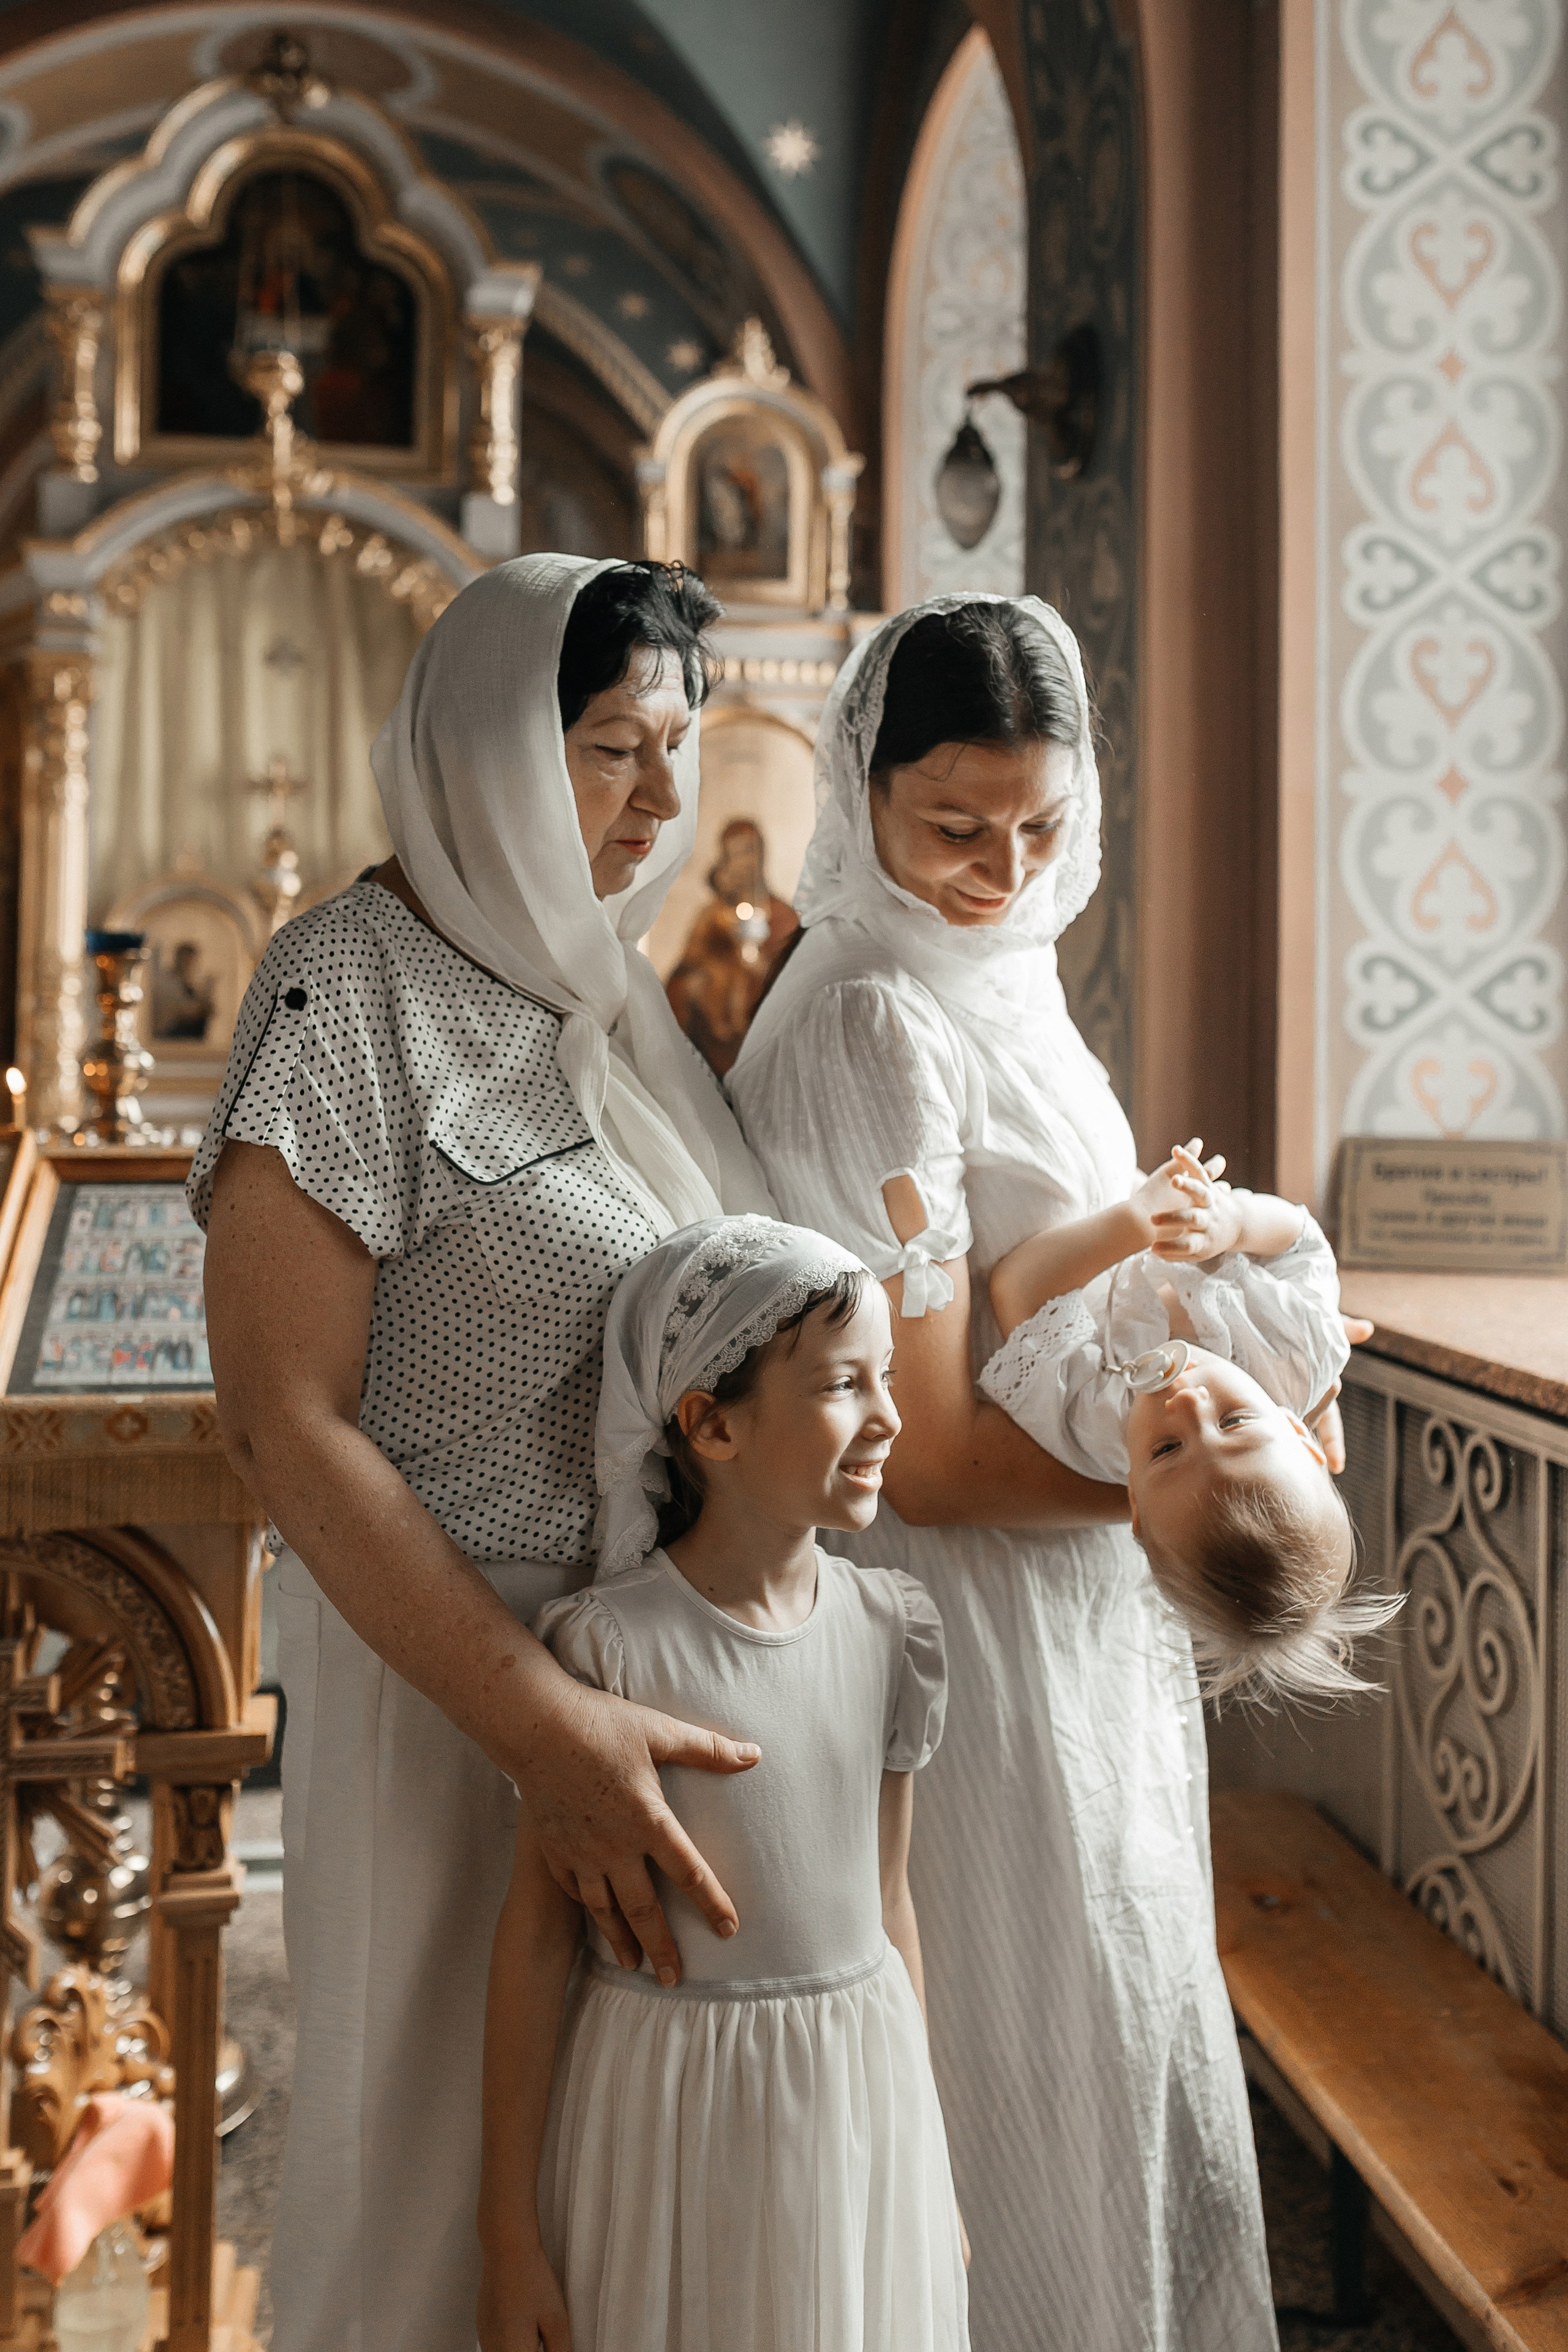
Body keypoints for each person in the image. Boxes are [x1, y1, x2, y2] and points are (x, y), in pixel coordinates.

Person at [192, 557, 775, 2352]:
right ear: (484, 747)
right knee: (432, 2174)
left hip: (638, 1669)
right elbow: (284, 1419)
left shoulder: (597, 991)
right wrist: (541, 1722)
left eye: (677, 748)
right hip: (457, 1680)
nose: (663, 803)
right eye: (611, 749)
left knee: (614, 2186)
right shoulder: (342, 990)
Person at [729, 597, 1279, 2350]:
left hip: (1080, 1620)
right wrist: (1195, 1488)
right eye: (954, 826)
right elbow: (939, 1454)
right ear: (861, 788)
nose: (1003, 867)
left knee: (1121, 2046)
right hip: (967, 1639)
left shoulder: (1007, 968)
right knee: (1032, 2072)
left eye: (1042, 823)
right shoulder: (875, 1019)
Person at [478, 1215, 967, 2352]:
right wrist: (509, 2237)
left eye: (887, 1377)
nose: (890, 1416)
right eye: (846, 1384)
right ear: (710, 1422)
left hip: (857, 2092)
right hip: (670, 2107)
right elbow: (538, 1943)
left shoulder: (894, 1631)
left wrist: (926, 2158)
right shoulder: (607, 1651)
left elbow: (891, 1908)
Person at [982, 1137, 1393, 1701]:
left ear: (1133, 1502)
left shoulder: (1098, 1429)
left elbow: (1018, 1288)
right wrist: (1239, 1223)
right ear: (1301, 1432)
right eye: (1236, 1422)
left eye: (1167, 1451)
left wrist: (1135, 1222)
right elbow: (1301, 1245)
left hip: (1098, 1213)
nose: (1188, 1405)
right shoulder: (1306, 1355)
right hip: (1172, 1187)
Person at [665, 817, 798, 1075]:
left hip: (760, 1038)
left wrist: (758, 967)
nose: (744, 863)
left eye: (749, 851)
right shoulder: (712, 916)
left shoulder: (782, 917)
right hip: (711, 1046)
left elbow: (794, 980)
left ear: (761, 856)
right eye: (735, 854)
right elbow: (685, 971)